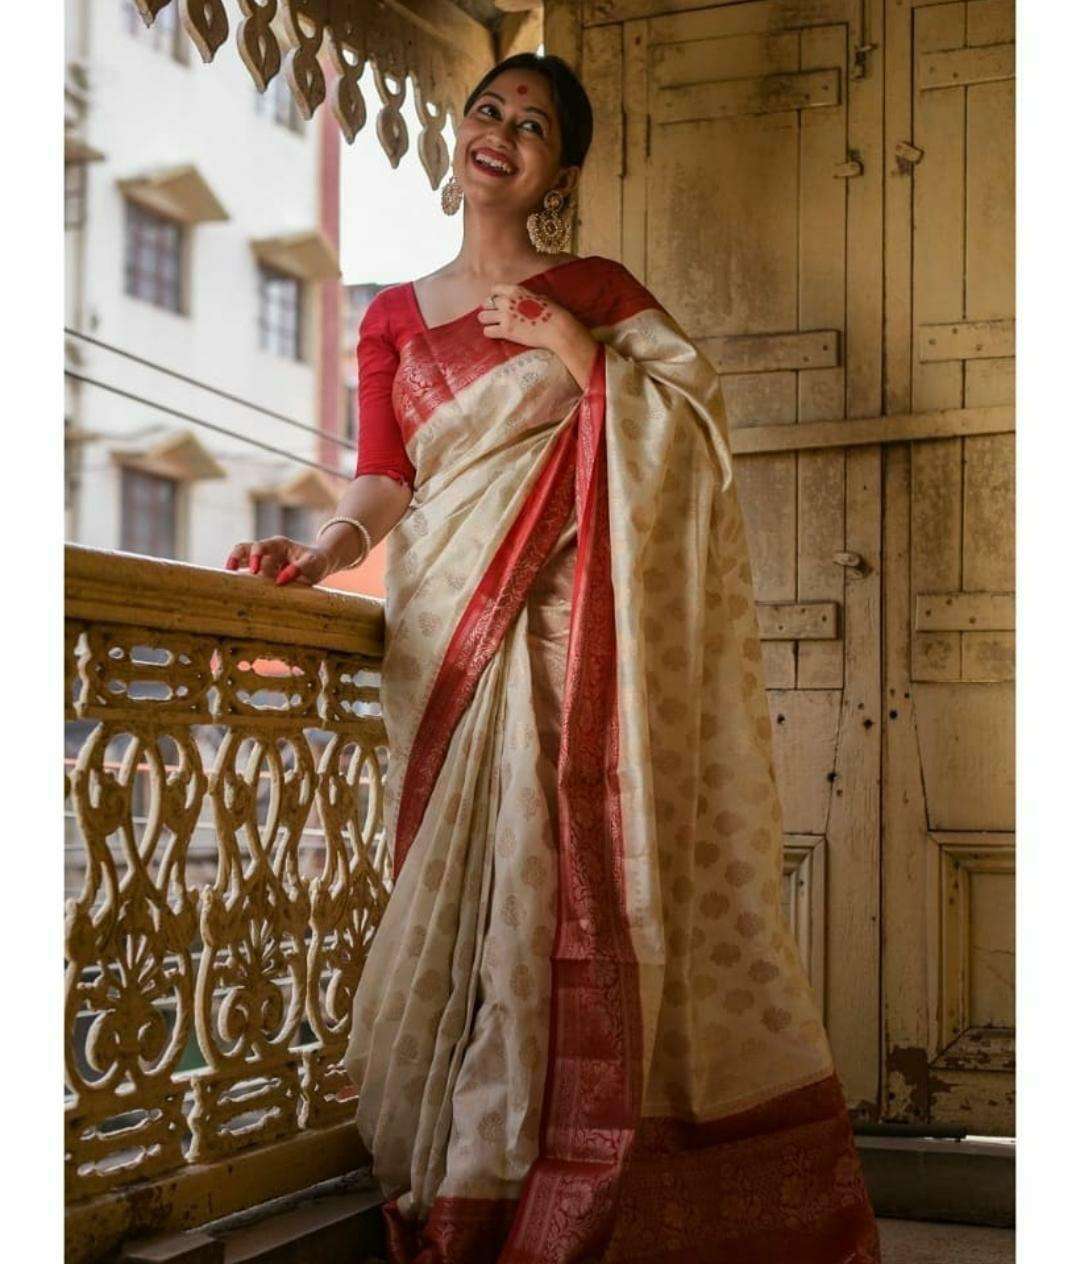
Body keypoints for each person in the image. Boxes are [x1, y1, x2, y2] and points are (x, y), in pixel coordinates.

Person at [225, 50, 881, 1264]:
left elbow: (687, 434)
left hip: (574, 636)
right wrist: (320, 553)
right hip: (447, 635)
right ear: (458, 134)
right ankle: (472, 1166)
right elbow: (387, 477)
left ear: (559, 172)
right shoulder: (390, 314)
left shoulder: (595, 290)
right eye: (489, 109)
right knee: (479, 905)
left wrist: (577, 350)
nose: (502, 130)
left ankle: (557, 1171)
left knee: (564, 890)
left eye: (532, 125)